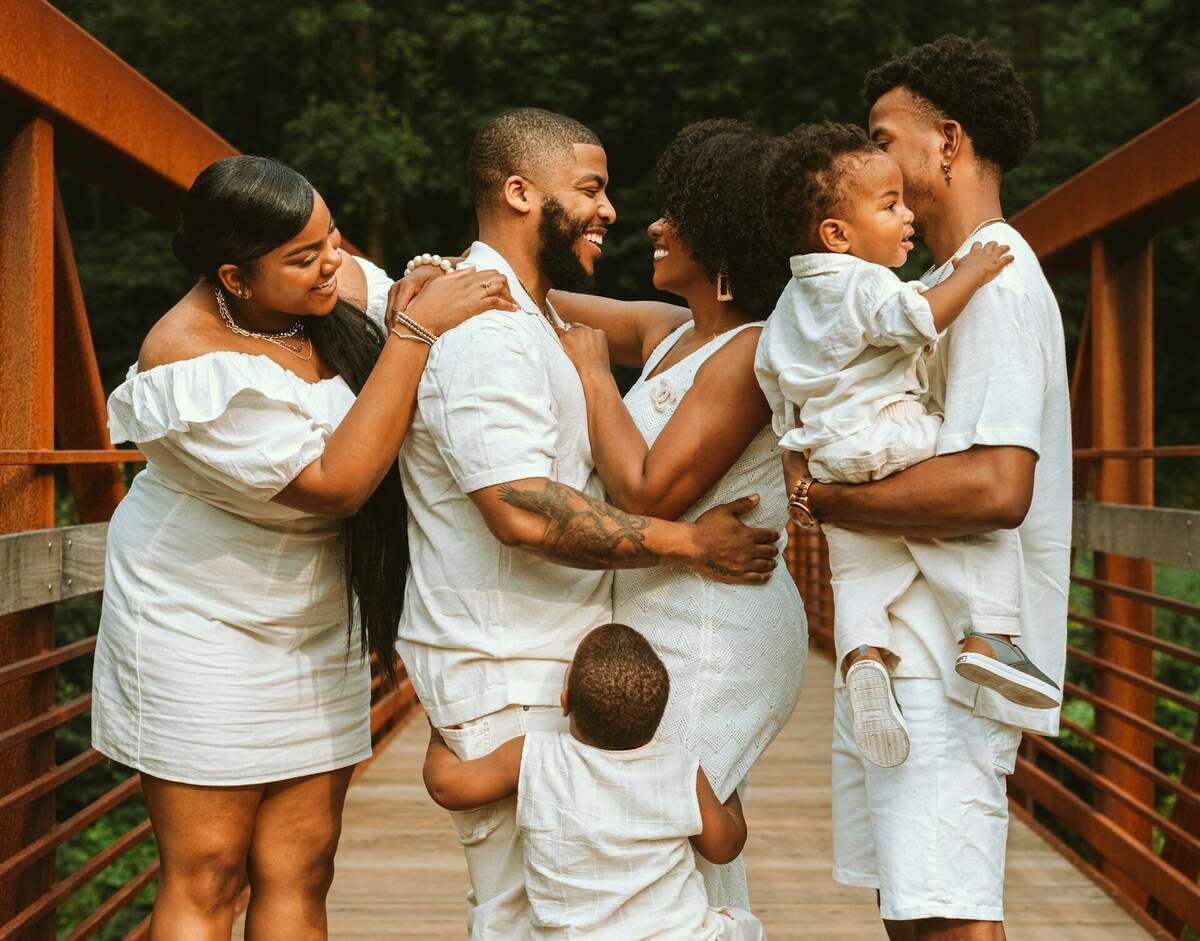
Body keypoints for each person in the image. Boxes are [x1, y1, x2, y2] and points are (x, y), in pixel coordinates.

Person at [92, 155, 515, 939]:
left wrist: (429, 284)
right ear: (235, 277)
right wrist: (415, 332)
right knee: (210, 869)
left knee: (306, 861)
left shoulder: (326, 283)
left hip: (314, 616)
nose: (333, 262)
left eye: (333, 237)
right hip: (198, 619)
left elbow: (417, 295)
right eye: (304, 255)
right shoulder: (182, 356)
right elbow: (335, 483)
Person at [394, 108, 779, 939]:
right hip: (506, 660)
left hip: (567, 649)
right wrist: (688, 542)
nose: (615, 211)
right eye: (592, 188)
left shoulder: (534, 319)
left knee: (583, 901)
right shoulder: (489, 335)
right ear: (520, 192)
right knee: (530, 910)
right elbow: (517, 506)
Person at [783, 36, 1071, 938]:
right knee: (914, 914)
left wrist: (829, 501)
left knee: (949, 919)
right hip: (910, 651)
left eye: (882, 138)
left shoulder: (996, 278)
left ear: (947, 142)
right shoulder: (934, 285)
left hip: (950, 665)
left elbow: (995, 486)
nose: (869, 158)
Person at [551, 119, 807, 907]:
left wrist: (596, 377)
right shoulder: (672, 334)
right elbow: (535, 301)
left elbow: (643, 492)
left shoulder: (750, 353)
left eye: (677, 215)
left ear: (722, 239)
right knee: (659, 817)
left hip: (716, 622)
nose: (654, 227)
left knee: (670, 821)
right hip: (664, 599)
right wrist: (427, 278)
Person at [754, 121, 1059, 770]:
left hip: (828, 453)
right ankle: (989, 631)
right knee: (963, 513)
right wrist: (971, 272)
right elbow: (916, 318)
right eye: (889, 206)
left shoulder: (785, 308)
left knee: (858, 568)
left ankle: (863, 654)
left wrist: (797, 465)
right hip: (893, 432)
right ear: (837, 235)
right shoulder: (865, 282)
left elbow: (777, 391)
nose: (907, 216)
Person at [422, 623, 765, 941]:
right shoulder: (681, 769)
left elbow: (446, 787)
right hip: (675, 934)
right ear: (660, 715)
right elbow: (725, 846)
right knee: (742, 926)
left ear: (565, 702)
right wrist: (730, 785)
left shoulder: (535, 755)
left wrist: (438, 735)